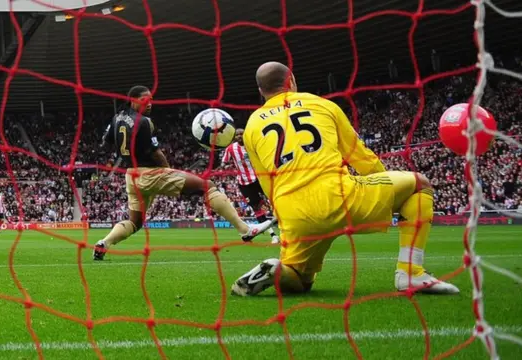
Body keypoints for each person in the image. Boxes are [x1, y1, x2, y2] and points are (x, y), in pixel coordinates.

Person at [230, 62, 459, 296]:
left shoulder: (251, 127)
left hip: (294, 213)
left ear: (261, 91)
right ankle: (410, 272)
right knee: (419, 185)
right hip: (341, 196)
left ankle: (278, 271)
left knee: (300, 280)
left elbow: (267, 183)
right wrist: (385, 188)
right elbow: (360, 157)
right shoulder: (322, 105)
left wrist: (284, 216)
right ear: (292, 81)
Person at [93, 85, 275, 260]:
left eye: (151, 100)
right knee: (207, 186)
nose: (149, 103)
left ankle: (104, 243)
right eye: (144, 100)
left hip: (131, 176)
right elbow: (155, 152)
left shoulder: (117, 118)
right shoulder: (145, 122)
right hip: (150, 173)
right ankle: (245, 230)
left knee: (135, 222)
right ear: (133, 100)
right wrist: (168, 170)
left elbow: (106, 140)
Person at [221, 128, 280, 244]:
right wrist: (223, 166)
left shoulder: (252, 144)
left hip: (259, 178)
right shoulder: (231, 149)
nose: (239, 136)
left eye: (241, 134)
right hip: (244, 183)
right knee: (257, 209)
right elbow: (224, 161)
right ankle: (273, 235)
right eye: (237, 135)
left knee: (275, 200)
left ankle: (285, 228)